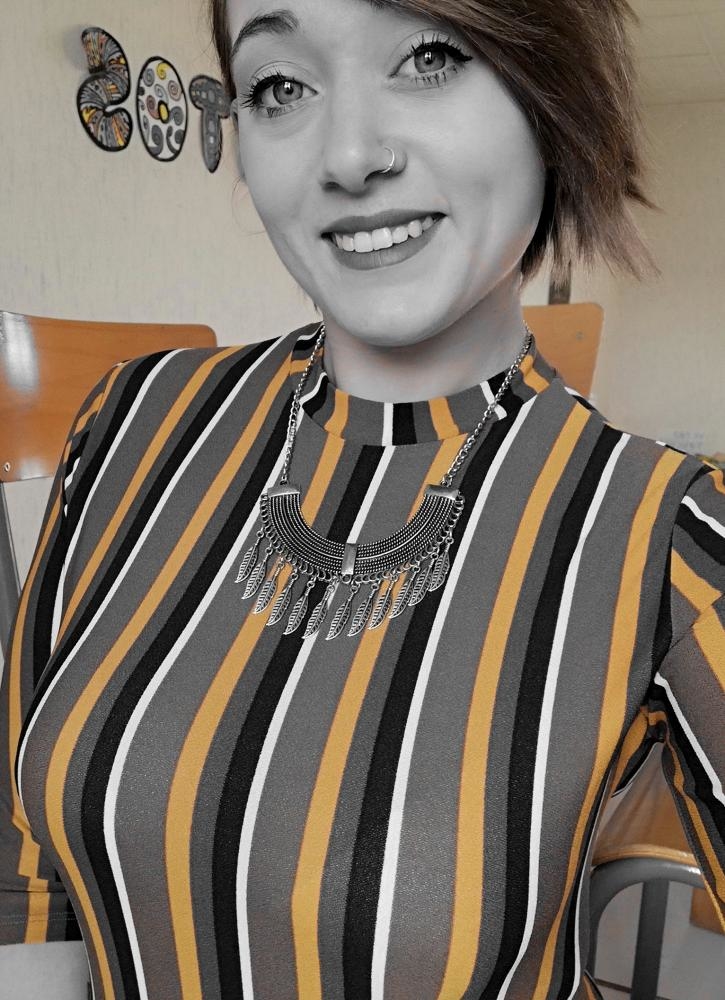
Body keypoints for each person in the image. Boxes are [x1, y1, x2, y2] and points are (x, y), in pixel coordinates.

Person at [1, 0, 723, 997]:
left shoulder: (668, 533)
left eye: (428, 57)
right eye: (279, 85)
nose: (346, 156)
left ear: (553, 95)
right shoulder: (129, 418)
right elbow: (27, 872)